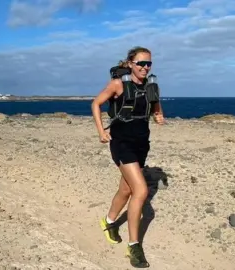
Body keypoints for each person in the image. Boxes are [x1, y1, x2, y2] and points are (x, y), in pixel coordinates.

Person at [91, 46, 164, 268]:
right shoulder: (118, 84)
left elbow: (157, 111)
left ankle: (110, 221)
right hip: (122, 144)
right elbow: (96, 104)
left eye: (148, 63)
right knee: (141, 191)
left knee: (126, 189)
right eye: (141, 63)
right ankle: (134, 246)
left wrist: (159, 117)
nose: (145, 67)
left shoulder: (152, 87)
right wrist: (101, 131)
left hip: (142, 144)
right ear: (131, 64)